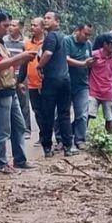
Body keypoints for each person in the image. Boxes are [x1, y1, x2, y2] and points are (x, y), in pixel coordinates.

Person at [0, 9, 37, 174]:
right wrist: (21, 57)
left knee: (19, 126)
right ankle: (1, 163)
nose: (8, 29)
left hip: (9, 88)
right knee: (2, 129)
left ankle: (20, 160)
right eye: (5, 25)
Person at [37, 11, 77, 157]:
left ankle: (47, 147)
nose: (45, 20)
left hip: (52, 80)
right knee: (64, 114)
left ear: (57, 22)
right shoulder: (62, 37)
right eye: (45, 17)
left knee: (47, 114)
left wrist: (39, 66)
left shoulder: (51, 36)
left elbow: (47, 54)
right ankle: (67, 146)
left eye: (49, 18)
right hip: (65, 80)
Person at [65, 23, 96, 149]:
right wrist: (83, 63)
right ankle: (63, 139)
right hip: (66, 83)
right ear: (77, 31)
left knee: (82, 114)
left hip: (82, 85)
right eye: (85, 34)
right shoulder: (67, 41)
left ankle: (80, 139)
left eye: (89, 35)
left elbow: (90, 62)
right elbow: (65, 59)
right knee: (63, 113)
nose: (87, 37)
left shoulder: (88, 44)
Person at [3, 19, 32, 134]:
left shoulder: (26, 42)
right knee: (9, 103)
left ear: (20, 28)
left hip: (22, 75)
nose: (10, 27)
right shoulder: (4, 41)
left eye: (13, 25)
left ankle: (26, 129)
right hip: (8, 75)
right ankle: (12, 130)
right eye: (9, 25)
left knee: (23, 102)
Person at [88, 36, 112, 134]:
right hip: (93, 91)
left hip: (108, 92)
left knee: (109, 118)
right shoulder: (94, 55)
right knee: (87, 115)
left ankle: (110, 139)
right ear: (105, 44)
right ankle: (80, 137)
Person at [24, 17, 46, 145]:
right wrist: (21, 81)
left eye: (35, 25)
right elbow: (24, 63)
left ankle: (47, 136)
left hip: (45, 83)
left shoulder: (48, 42)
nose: (32, 28)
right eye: (31, 25)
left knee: (47, 110)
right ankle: (42, 135)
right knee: (37, 111)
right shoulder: (27, 44)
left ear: (42, 28)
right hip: (32, 84)